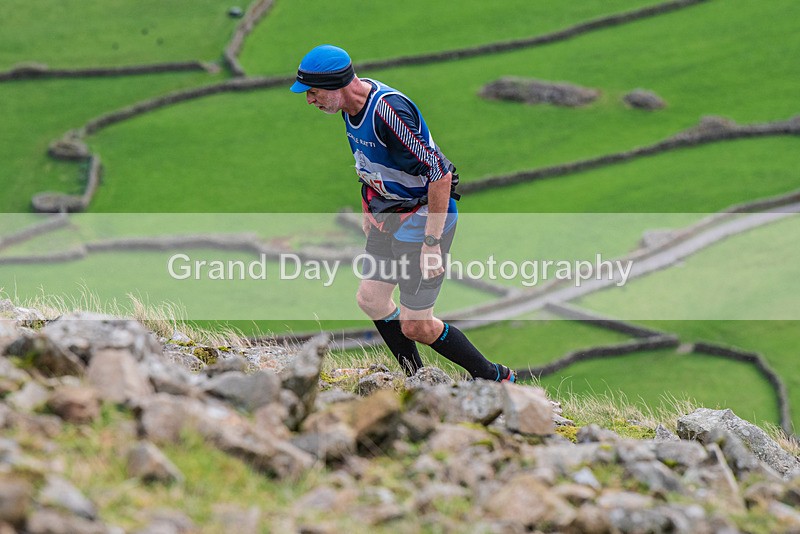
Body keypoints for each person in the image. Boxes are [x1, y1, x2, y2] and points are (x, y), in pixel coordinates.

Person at [291, 44, 515, 383]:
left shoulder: (386, 112)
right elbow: (369, 166)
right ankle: (416, 378)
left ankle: (495, 377)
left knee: (417, 325)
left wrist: (430, 243)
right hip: (388, 214)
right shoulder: (347, 106)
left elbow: (439, 174)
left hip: (423, 220)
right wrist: (369, 210)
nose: (309, 99)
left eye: (313, 91)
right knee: (371, 299)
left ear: (337, 83)